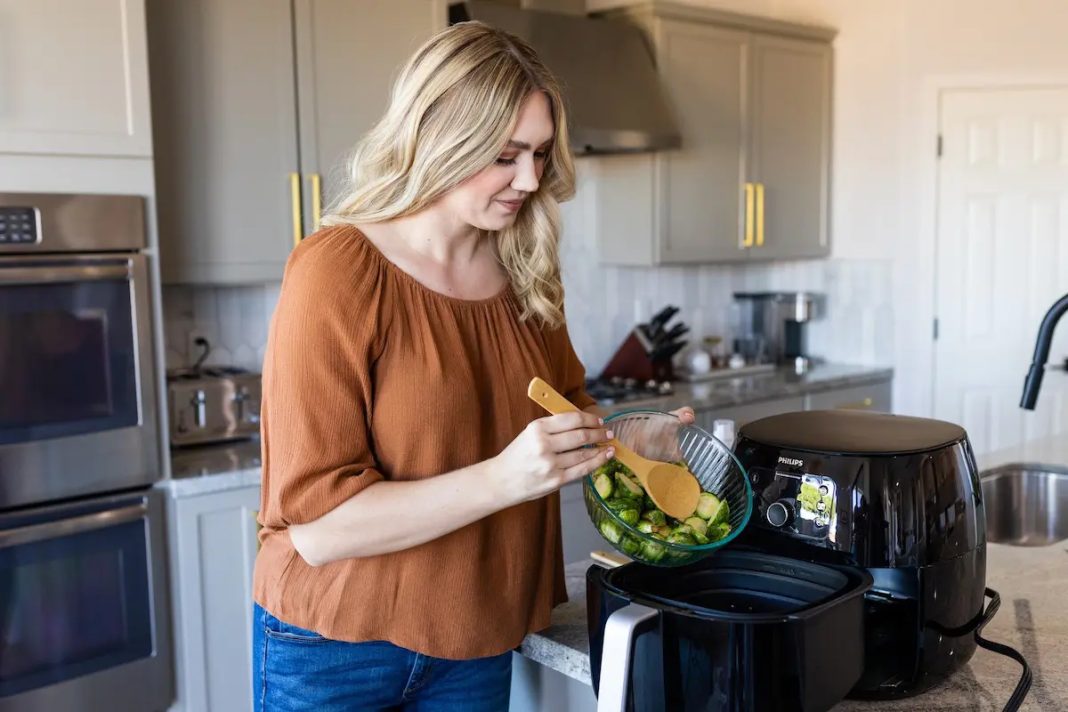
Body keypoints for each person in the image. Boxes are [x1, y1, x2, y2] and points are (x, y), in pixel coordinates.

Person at [251, 21, 694, 711]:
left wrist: (623, 443)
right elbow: (318, 528)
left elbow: (564, 414)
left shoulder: (526, 270)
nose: (530, 178)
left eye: (541, 153)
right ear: (438, 137)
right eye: (506, 154)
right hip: (334, 646)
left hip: (478, 637)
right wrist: (503, 479)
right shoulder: (337, 271)